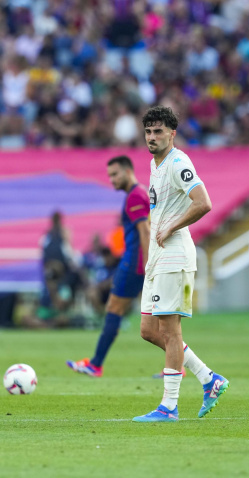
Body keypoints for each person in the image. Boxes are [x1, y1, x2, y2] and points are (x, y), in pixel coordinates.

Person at [132, 105, 229, 423]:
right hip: (158, 258)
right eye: (148, 131)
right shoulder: (153, 164)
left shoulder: (178, 163)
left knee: (171, 332)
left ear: (172, 134)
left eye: (158, 131)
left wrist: (172, 225)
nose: (152, 137)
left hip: (175, 256)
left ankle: (169, 406)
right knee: (148, 330)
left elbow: (203, 202)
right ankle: (208, 378)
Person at [67, 155, 151, 377]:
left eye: (115, 174)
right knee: (155, 320)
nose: (112, 180)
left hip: (135, 262)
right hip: (136, 260)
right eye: (109, 175)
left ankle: (96, 364)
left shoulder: (134, 196)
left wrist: (148, 264)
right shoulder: (140, 193)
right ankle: (177, 366)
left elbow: (145, 231)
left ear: (127, 171)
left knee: (116, 309)